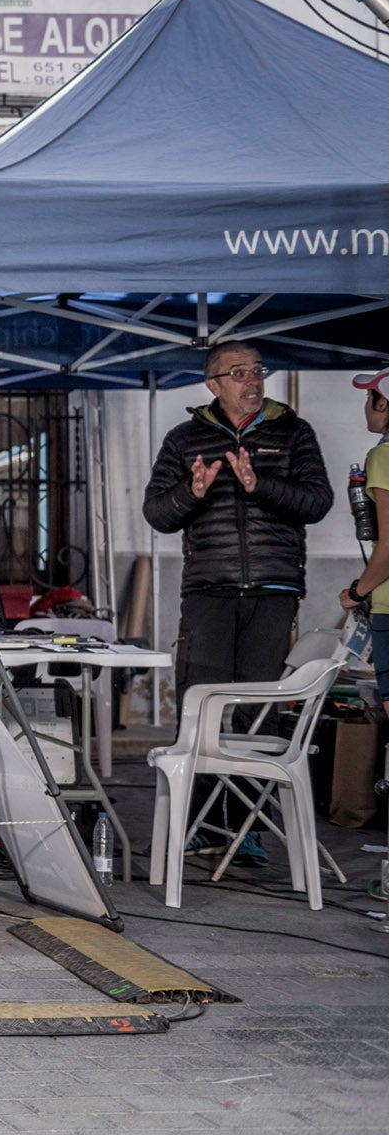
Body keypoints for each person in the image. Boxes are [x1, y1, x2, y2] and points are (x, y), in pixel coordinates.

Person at [143, 341, 333, 861]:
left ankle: (246, 827)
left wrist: (260, 484)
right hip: (208, 589)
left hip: (274, 590)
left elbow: (318, 501)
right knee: (199, 707)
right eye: (239, 373)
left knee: (257, 713)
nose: (253, 380)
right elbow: (158, 512)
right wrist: (194, 493)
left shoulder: (294, 432)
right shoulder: (184, 439)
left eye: (257, 371)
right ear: (214, 384)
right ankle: (202, 825)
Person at [338, 368, 389, 742]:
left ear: (384, 403)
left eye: (368, 397)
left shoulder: (383, 457)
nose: (365, 407)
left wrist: (356, 592)